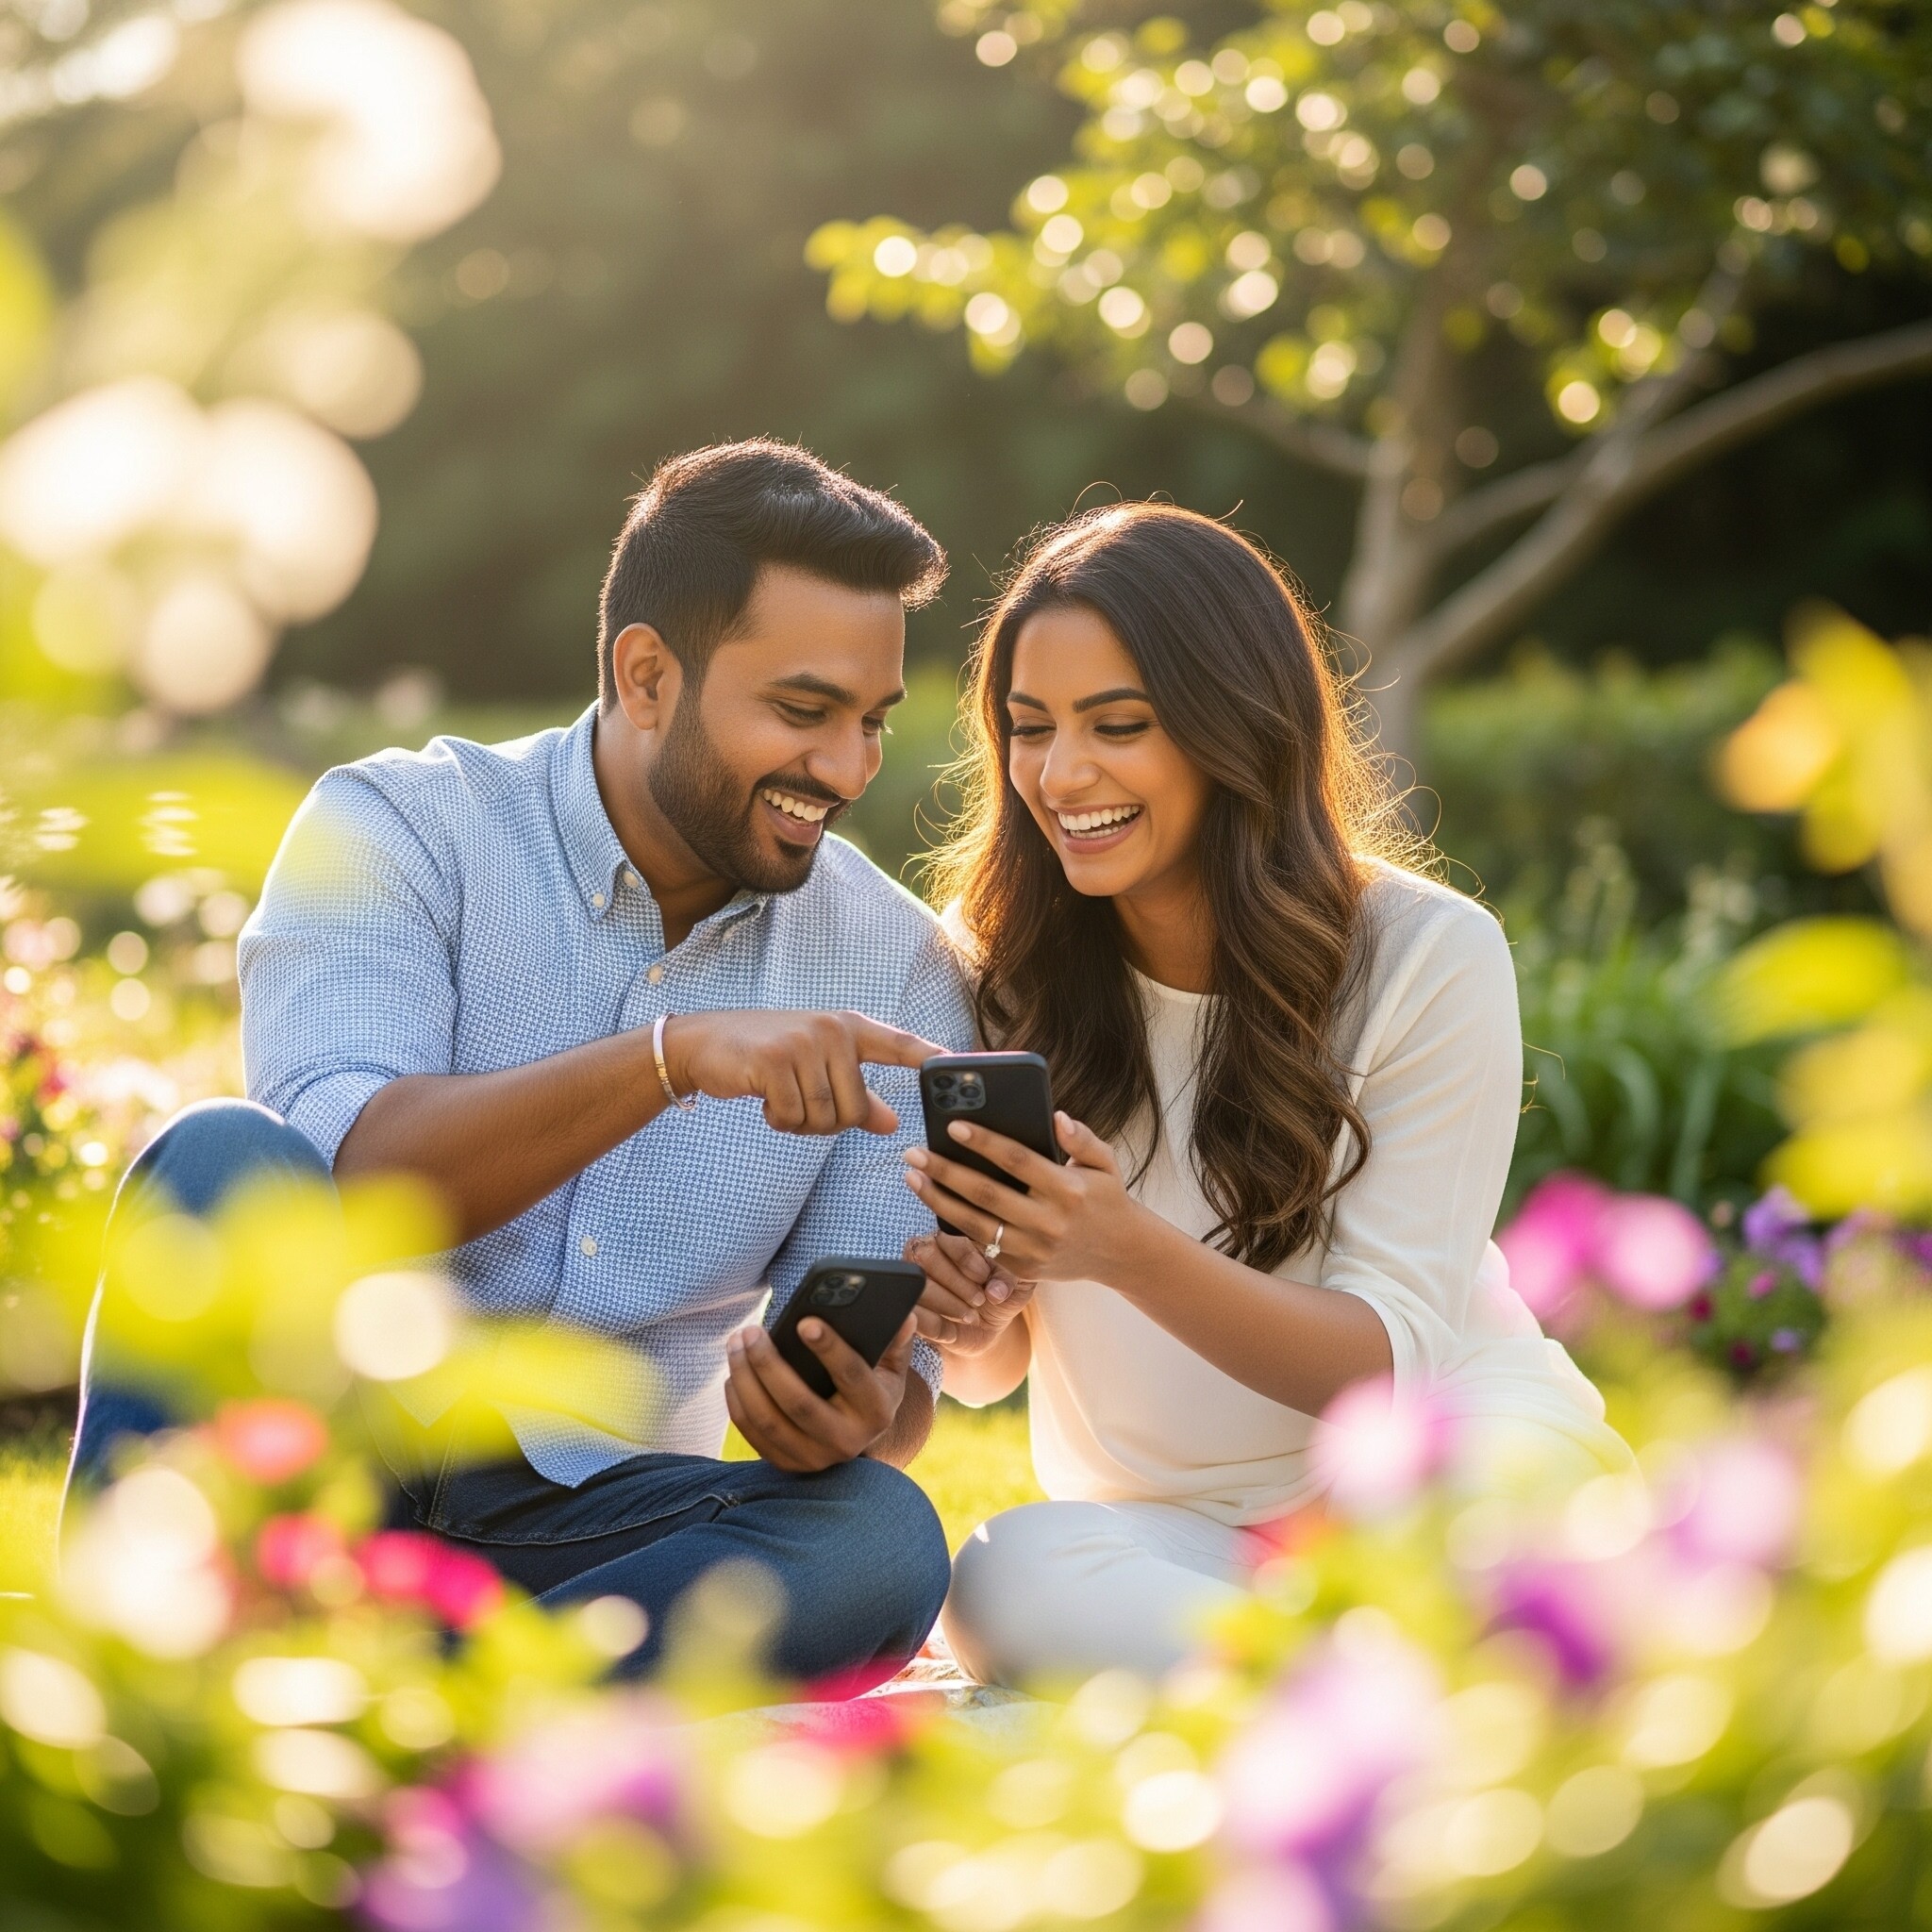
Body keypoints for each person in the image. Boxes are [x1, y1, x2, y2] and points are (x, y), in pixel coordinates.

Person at [69, 441, 973, 1687]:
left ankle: (391, 1697)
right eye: (803, 712)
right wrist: (669, 1058)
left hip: (596, 1530)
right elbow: (358, 1185)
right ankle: (154, 1679)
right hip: (323, 1453)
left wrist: (854, 1418)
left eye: (872, 722)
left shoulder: (897, 969)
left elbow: (888, 1392)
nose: (848, 768)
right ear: (646, 675)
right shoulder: (397, 828)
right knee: (218, 1155)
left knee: (879, 1537)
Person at [900, 504, 1627, 1688]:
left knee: (1501, 1532)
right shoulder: (991, 965)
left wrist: (1124, 1249)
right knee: (999, 1575)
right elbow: (992, 1364)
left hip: (1430, 1468)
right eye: (1029, 728)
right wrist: (972, 1316)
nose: (1060, 773)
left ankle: (1363, 1675)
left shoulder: (1425, 953)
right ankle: (1390, 1686)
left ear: (1233, 721)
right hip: (1172, 1530)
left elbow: (1386, 1366)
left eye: (1117, 725)